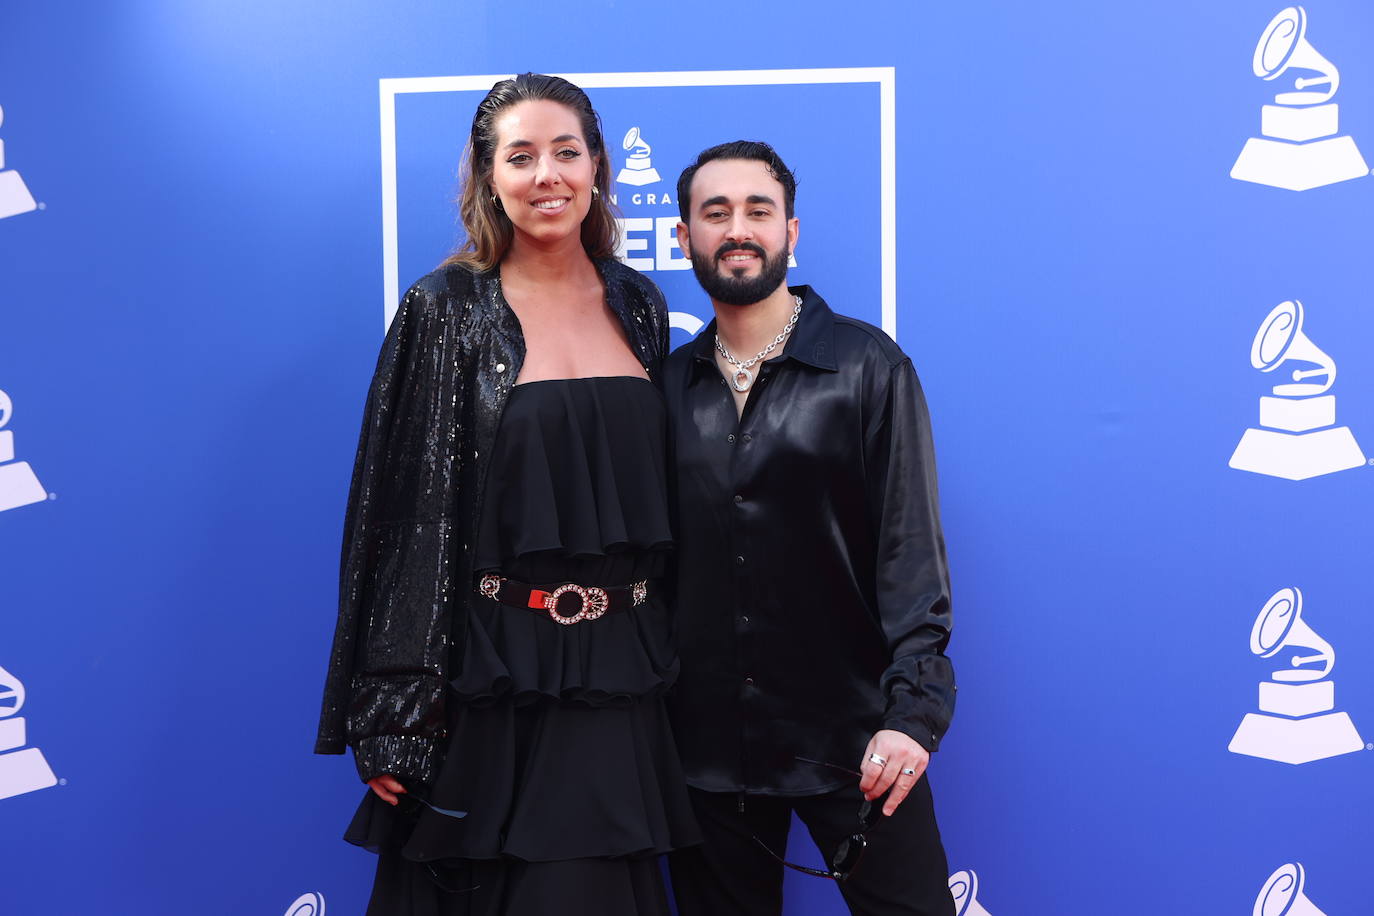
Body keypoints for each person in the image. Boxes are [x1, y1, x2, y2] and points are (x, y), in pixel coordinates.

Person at [315, 73, 697, 916]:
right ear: (489, 178)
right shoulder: (444, 308)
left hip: (618, 676)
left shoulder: (639, 303)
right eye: (520, 156)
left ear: (598, 165)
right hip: (492, 675)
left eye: (566, 151)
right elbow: (406, 521)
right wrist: (393, 710)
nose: (547, 175)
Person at [662, 140, 957, 916]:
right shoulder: (666, 388)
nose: (737, 228)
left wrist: (912, 719)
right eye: (714, 212)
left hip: (859, 742)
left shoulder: (868, 368)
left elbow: (910, 554)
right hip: (707, 758)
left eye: (758, 210)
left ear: (790, 232)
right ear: (686, 235)